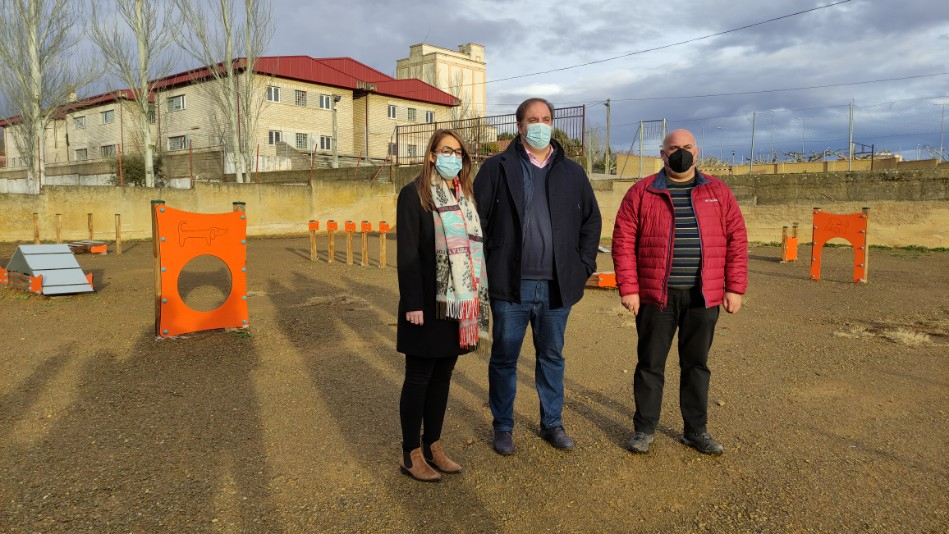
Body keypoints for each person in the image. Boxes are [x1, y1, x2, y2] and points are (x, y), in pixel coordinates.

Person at [474, 97, 602, 455]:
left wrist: (583, 266)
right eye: (533, 119)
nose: (540, 124)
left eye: (546, 118)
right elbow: (477, 221)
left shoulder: (572, 172)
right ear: (519, 126)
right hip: (509, 286)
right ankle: (503, 426)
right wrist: (485, 270)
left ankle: (552, 423)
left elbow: (591, 221)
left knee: (551, 357)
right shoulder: (496, 167)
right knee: (504, 358)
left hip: (557, 286)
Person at [611, 129, 747, 456]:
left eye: (686, 147)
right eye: (674, 148)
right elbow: (623, 242)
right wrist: (629, 288)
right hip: (657, 296)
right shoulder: (642, 192)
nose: (680, 153)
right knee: (650, 364)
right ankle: (644, 429)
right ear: (662, 153)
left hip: (704, 296)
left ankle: (695, 430)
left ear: (697, 152)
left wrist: (735, 287)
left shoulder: (718, 191)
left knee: (696, 365)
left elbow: (737, 241)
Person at [396, 129, 489, 482]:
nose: (454, 157)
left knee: (443, 377)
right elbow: (407, 255)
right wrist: (412, 304)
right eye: (447, 150)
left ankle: (433, 444)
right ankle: (410, 453)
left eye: (460, 152)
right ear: (432, 154)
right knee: (419, 378)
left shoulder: (465, 197)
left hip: (457, 305)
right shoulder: (414, 194)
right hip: (426, 304)